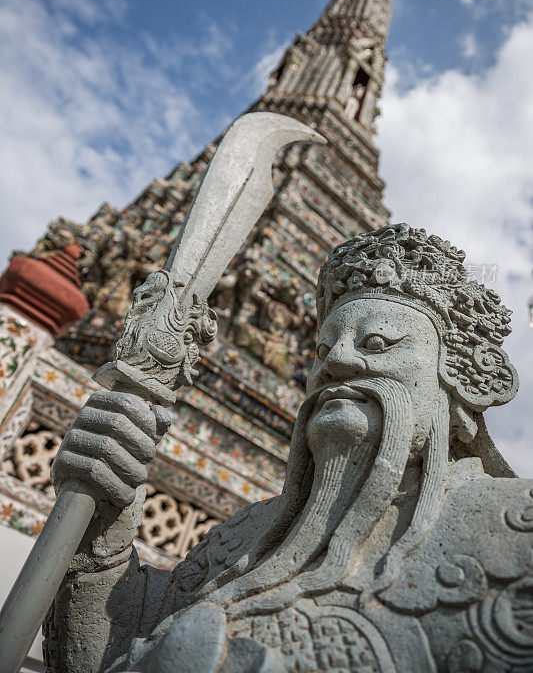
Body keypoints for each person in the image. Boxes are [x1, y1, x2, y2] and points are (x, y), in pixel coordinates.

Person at [45, 224, 533, 673]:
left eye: (378, 343)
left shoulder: (514, 531)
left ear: (457, 387)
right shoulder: (239, 537)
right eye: (322, 349)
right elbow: (107, 650)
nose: (336, 360)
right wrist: (101, 523)